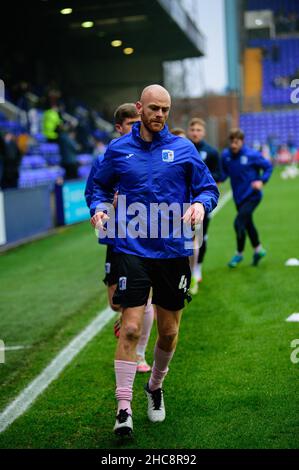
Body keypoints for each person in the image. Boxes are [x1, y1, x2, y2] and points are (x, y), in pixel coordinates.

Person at [90, 85, 219, 436]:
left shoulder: (183, 149)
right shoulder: (118, 150)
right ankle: (123, 408)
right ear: (139, 108)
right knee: (130, 327)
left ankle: (155, 387)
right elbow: (98, 189)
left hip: (173, 252)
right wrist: (99, 209)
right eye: (153, 108)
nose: (160, 114)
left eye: (165, 109)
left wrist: (199, 204)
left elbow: (208, 189)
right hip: (131, 249)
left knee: (169, 331)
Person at [85, 103, 154, 374]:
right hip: (114, 238)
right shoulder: (105, 159)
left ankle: (138, 352)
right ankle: (126, 323)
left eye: (139, 122)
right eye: (130, 124)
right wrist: (103, 209)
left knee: (143, 299)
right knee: (116, 302)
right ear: (119, 127)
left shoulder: (148, 153)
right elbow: (93, 193)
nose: (136, 128)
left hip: (139, 237)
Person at [221, 128, 273, 268]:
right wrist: (215, 180)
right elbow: (224, 174)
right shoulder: (226, 155)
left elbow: (268, 167)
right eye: (231, 141)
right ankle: (258, 249)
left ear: (242, 142)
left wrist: (262, 181)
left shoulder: (252, 154)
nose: (233, 145)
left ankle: (239, 254)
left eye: (236, 142)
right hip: (238, 197)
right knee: (248, 224)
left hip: (252, 196)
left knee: (238, 223)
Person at [187, 118, 221, 293]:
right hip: (183, 201)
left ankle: (197, 268)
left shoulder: (211, 152)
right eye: (192, 129)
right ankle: (186, 270)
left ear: (204, 132)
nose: (195, 132)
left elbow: (219, 174)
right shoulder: (183, 149)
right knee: (185, 237)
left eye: (199, 129)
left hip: (202, 200)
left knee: (200, 236)